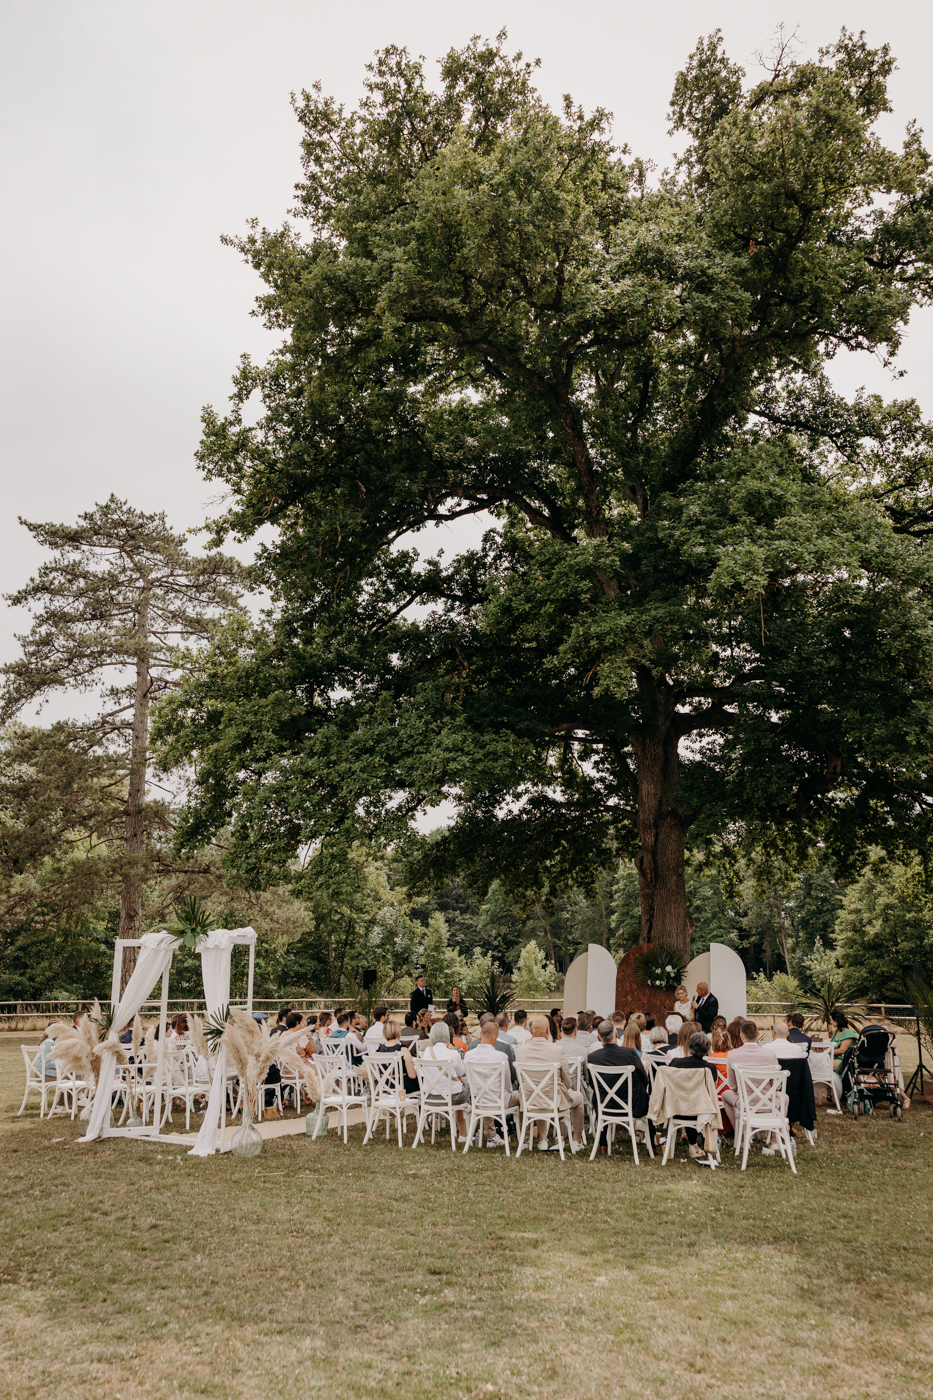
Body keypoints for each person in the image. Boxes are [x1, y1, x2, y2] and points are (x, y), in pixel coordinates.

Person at [515, 1015, 584, 1153]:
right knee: (579, 1097)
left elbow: (519, 1079)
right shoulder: (557, 1050)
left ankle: (543, 1139)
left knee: (539, 1094)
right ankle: (577, 1140)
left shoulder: (520, 1051)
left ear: (531, 1030)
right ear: (548, 1030)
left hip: (529, 1100)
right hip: (553, 1101)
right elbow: (567, 1081)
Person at [588, 1018, 650, 1151]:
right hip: (632, 1104)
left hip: (604, 1106)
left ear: (598, 1038)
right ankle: (653, 1146)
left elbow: (593, 1084)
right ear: (616, 1034)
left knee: (598, 1095)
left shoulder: (593, 1057)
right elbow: (645, 1079)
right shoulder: (630, 1053)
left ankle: (603, 1143)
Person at [465, 1019, 521, 1146]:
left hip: (478, 1100)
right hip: (499, 1100)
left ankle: (491, 1136)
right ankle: (525, 1137)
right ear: (494, 1037)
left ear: (480, 1033)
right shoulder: (501, 1057)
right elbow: (508, 1085)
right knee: (522, 1096)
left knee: (485, 1095)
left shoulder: (469, 1055)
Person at [667, 1030, 720, 1158]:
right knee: (695, 1102)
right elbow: (712, 1090)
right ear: (707, 1049)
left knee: (690, 1101)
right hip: (701, 1111)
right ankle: (694, 1145)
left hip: (677, 1109)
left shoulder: (675, 1063)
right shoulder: (710, 1068)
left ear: (689, 1046)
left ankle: (693, 1145)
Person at [721, 1020, 780, 1130]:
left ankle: (740, 1133)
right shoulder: (770, 1055)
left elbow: (733, 1087)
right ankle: (774, 1136)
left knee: (725, 1095)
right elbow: (776, 1086)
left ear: (741, 1036)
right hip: (768, 1103)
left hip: (744, 1104)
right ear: (757, 1034)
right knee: (784, 1098)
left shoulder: (732, 1055)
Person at [419, 1021, 469, 1142]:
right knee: (464, 1084)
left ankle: (463, 1130)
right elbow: (462, 1072)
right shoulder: (453, 1053)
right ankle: (463, 1132)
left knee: (457, 1085)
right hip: (451, 1098)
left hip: (430, 1097)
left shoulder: (427, 1051)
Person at [377, 1018, 419, 1095]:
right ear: (398, 1033)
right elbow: (412, 1075)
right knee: (423, 1081)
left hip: (386, 1085)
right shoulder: (403, 1050)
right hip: (402, 1086)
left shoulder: (379, 1050)